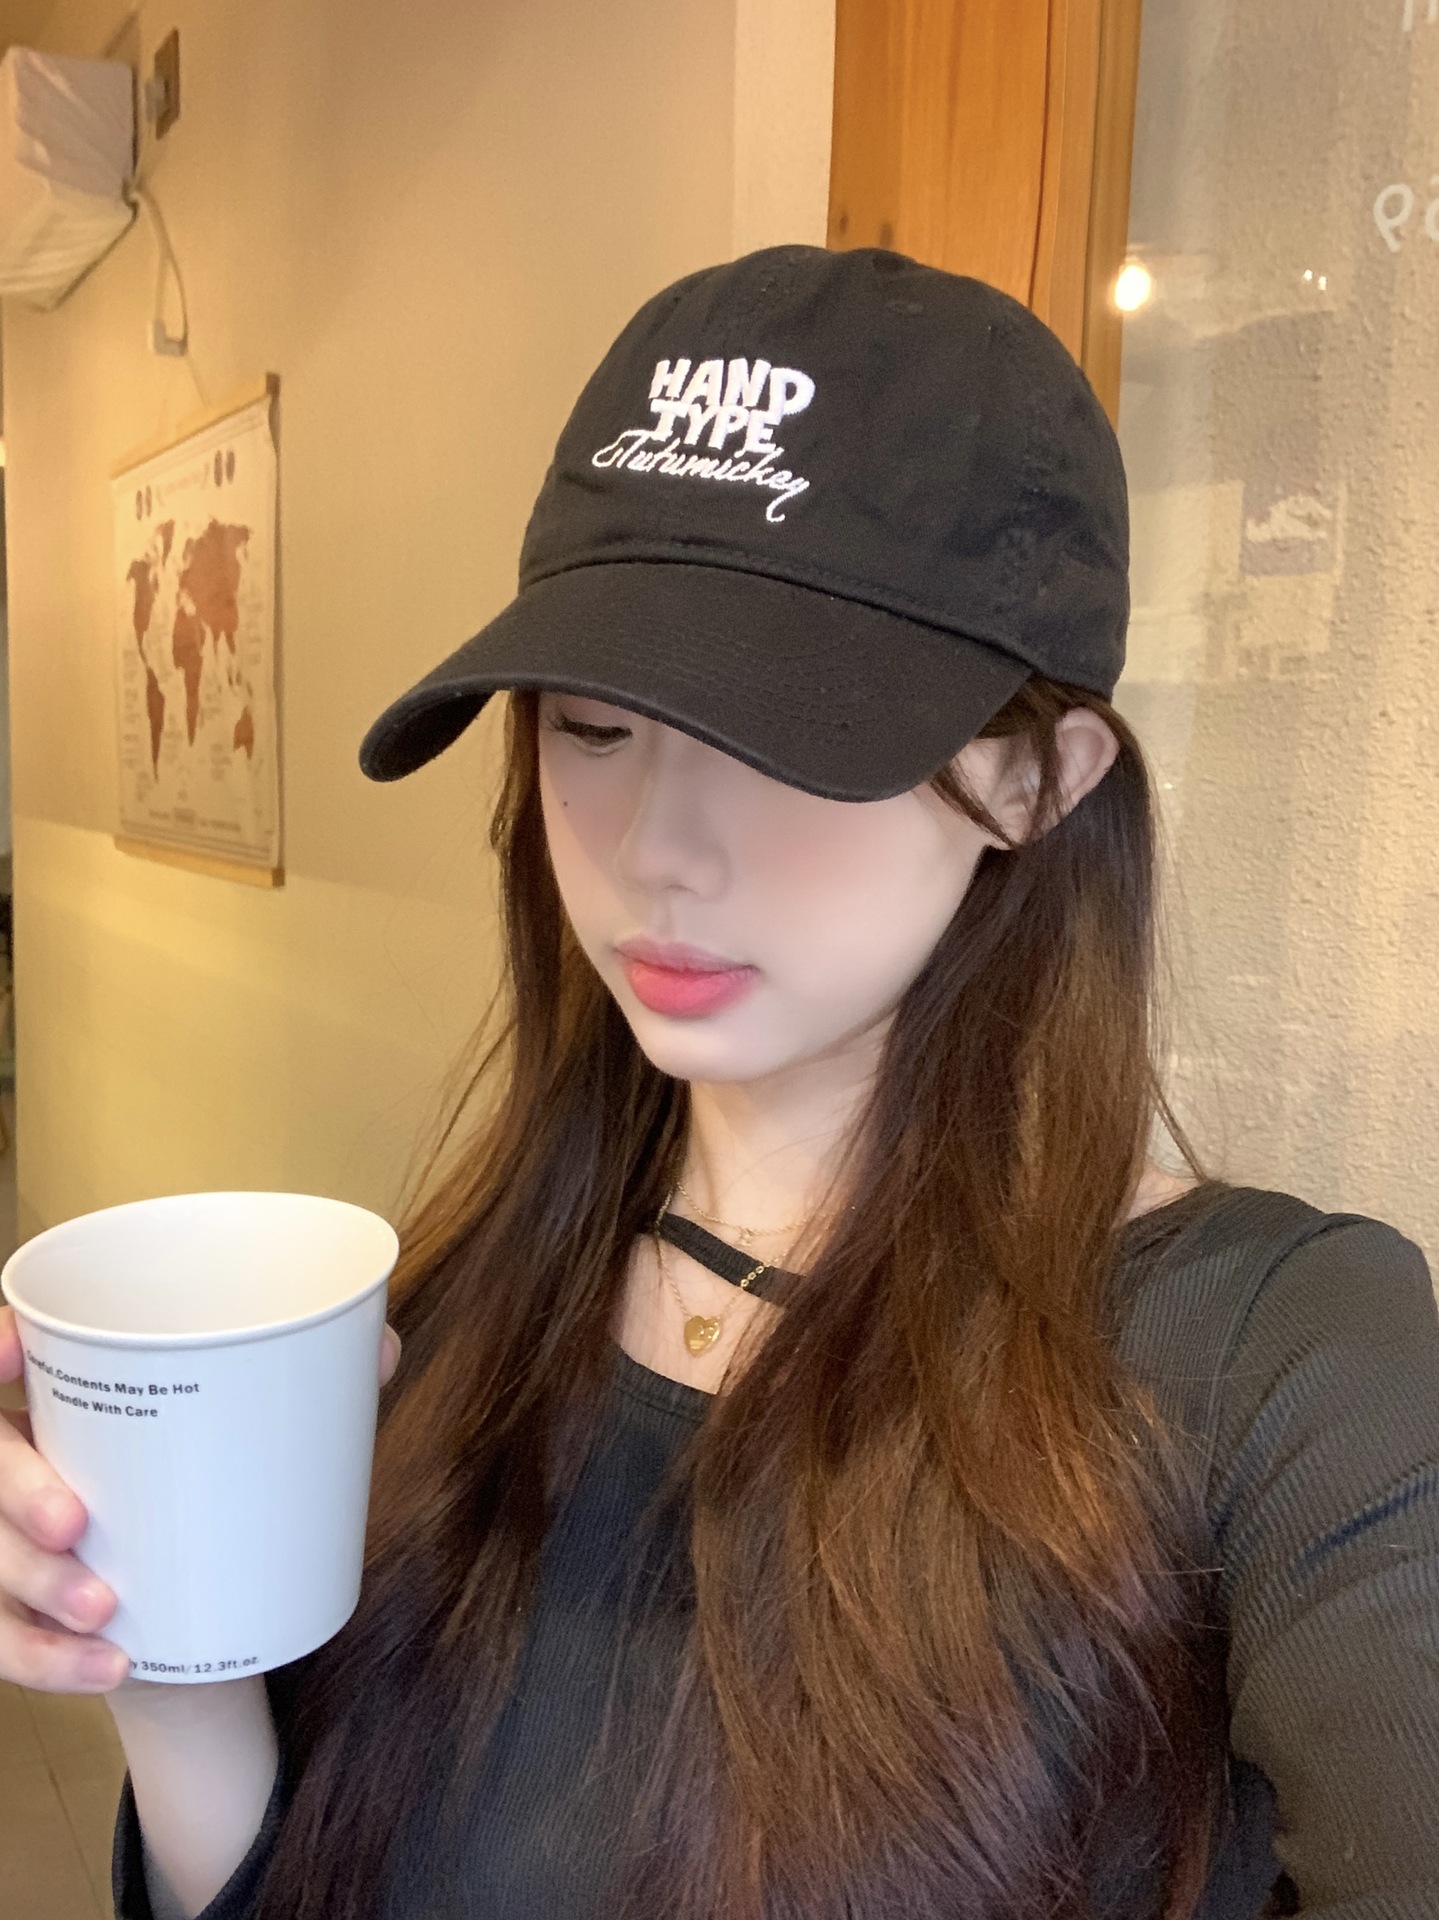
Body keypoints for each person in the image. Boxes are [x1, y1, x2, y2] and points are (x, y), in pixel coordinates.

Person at [1, 246, 1436, 1920]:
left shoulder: (1279, 1364)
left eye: (782, 739)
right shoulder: (455, 1315)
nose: (656, 852)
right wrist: (151, 1639)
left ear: (1039, 778)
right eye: (593, 730)